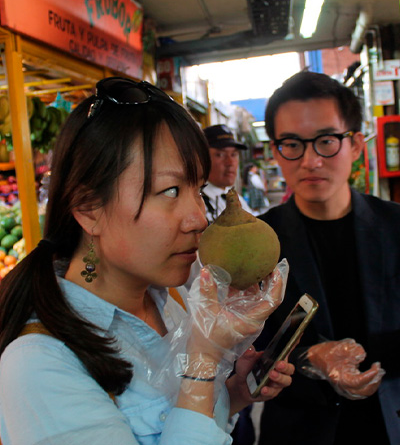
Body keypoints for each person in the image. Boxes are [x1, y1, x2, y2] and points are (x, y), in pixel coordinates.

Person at [0, 77, 294, 445]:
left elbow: (174, 422)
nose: (199, 218)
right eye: (169, 191)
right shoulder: (38, 366)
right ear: (89, 208)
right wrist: (203, 363)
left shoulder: (169, 299)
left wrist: (234, 392)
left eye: (197, 189)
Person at [253, 70, 400, 445]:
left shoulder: (397, 228)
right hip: (299, 431)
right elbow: (249, 353)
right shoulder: (259, 243)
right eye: (292, 144)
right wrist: (310, 358)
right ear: (275, 151)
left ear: (355, 145)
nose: (310, 161)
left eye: (325, 141)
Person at [201, 124, 253, 223]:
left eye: (234, 154)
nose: (230, 163)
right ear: (202, 159)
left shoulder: (235, 199)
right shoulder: (197, 202)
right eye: (220, 155)